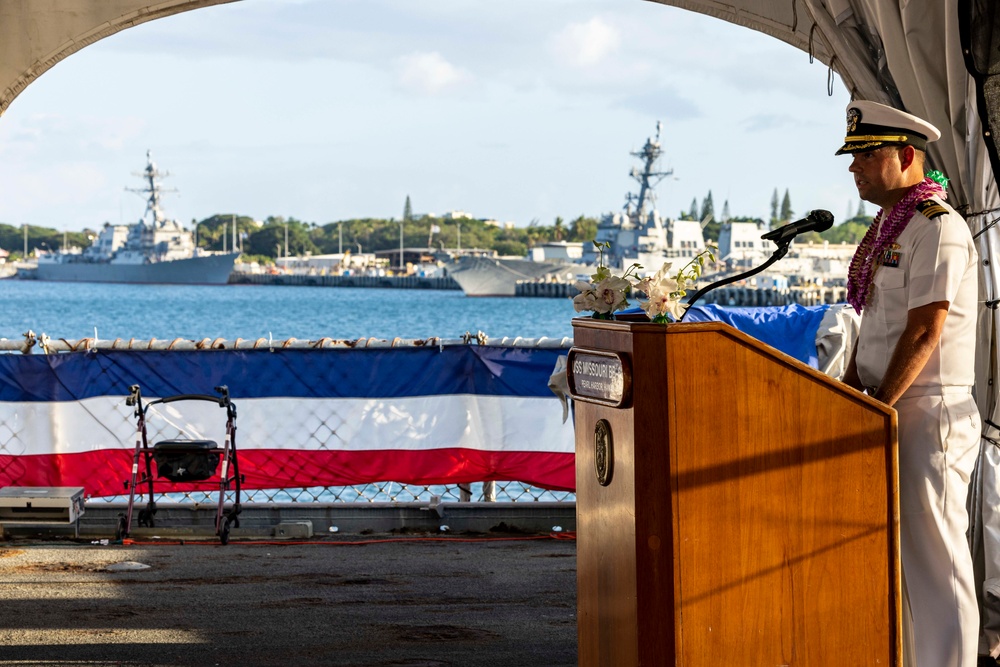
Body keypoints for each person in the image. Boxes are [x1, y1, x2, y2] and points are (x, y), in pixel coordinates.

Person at [838, 100, 981, 667]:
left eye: (867, 156)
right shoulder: (890, 230)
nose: (854, 168)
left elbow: (925, 331)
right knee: (903, 563)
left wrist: (877, 409)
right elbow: (875, 326)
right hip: (889, 407)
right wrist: (847, 398)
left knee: (937, 562)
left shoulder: (937, 228)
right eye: (852, 158)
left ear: (906, 154)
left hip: (927, 411)